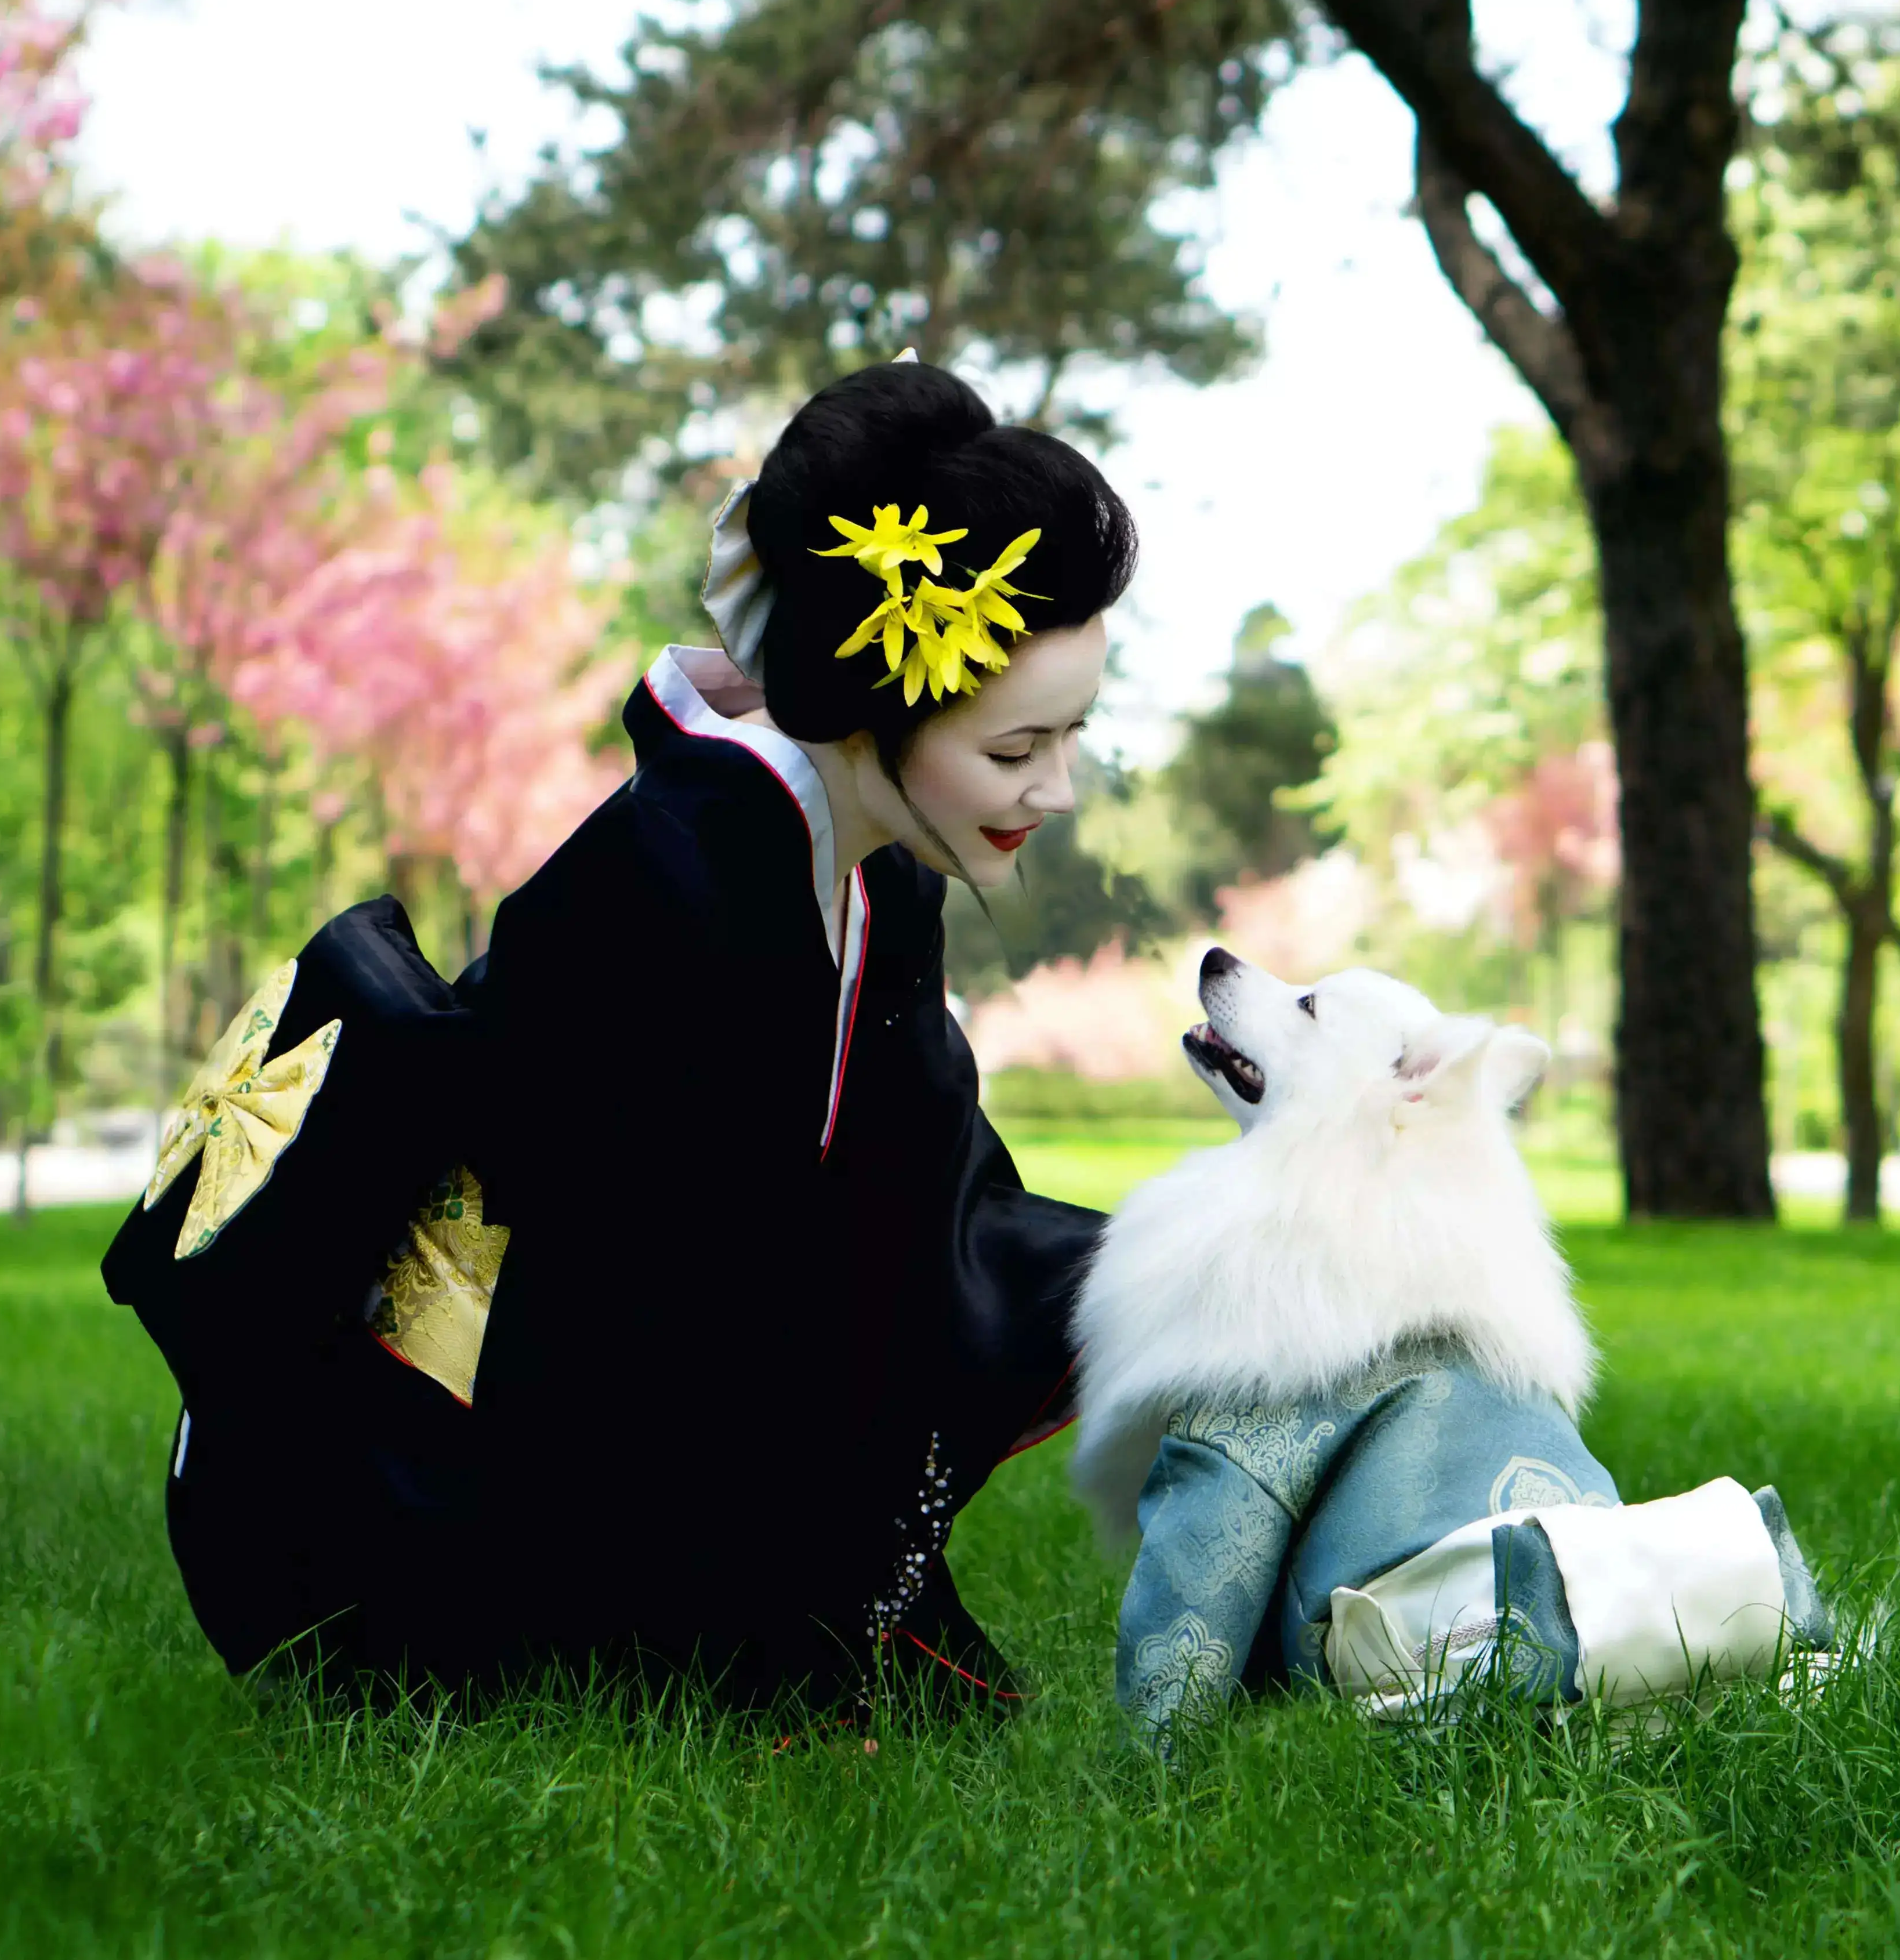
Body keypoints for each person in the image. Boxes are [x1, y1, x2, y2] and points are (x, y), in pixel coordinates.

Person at [103, 359, 1133, 1717]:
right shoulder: (665, 887)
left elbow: (920, 1198)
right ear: (873, 697)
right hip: (390, 1501)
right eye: (1014, 751)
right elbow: (628, 1311)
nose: (1051, 790)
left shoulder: (874, 872)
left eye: (1070, 739)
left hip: (614, 1399)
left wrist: (1172, 1277)